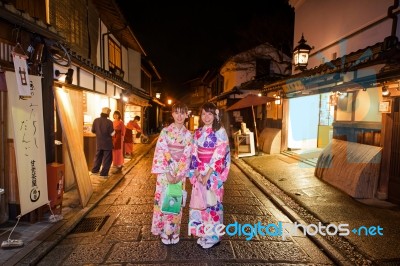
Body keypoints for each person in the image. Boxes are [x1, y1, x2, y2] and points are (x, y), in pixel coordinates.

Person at [188, 102, 231, 249]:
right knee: (201, 204)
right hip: (200, 171)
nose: (206, 117)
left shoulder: (220, 131)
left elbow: (221, 154)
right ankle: (203, 234)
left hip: (212, 174)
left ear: (215, 115)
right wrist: (196, 170)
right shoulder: (198, 132)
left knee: (213, 205)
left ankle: (213, 237)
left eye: (210, 114)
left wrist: (208, 173)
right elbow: (194, 151)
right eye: (204, 113)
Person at [151, 103, 193, 245]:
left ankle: (174, 231)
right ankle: (164, 231)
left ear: (187, 114)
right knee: (163, 200)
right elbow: (160, 151)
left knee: (175, 203)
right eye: (177, 113)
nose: (180, 116)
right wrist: (168, 172)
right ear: (172, 114)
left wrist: (180, 174)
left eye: (183, 113)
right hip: (165, 173)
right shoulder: (165, 132)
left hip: (179, 173)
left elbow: (187, 155)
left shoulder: (188, 134)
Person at [91, 107, 115, 178]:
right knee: (107, 158)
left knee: (98, 157)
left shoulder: (96, 120)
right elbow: (112, 133)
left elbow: (93, 131)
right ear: (108, 114)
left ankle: (95, 170)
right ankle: (103, 173)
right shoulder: (109, 122)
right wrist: (115, 131)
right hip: (107, 143)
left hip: (99, 142)